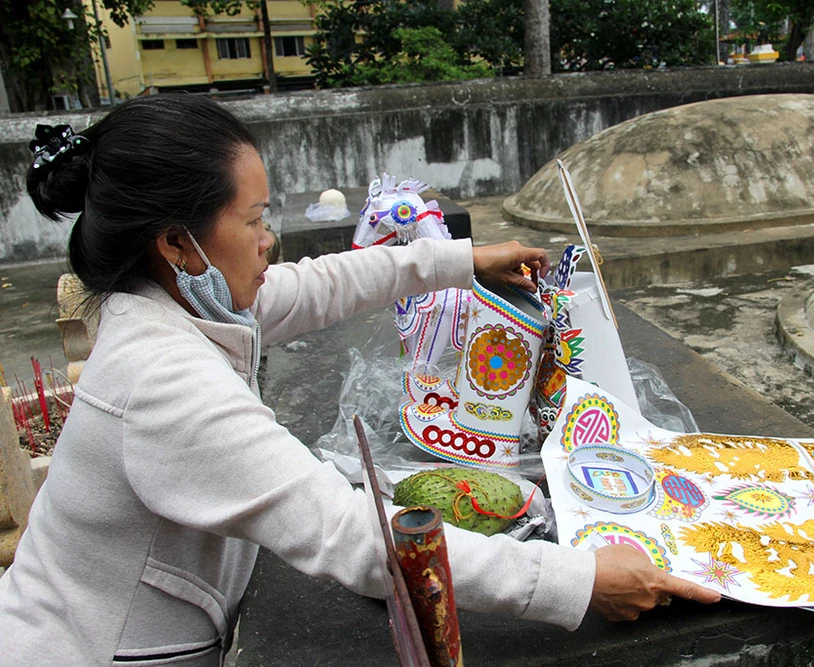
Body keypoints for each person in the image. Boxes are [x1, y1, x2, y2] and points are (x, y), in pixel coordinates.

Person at [0, 95, 719, 665]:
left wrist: (465, 260)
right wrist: (578, 581)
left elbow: (320, 284)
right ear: (176, 243)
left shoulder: (180, 300)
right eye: (252, 220)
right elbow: (353, 536)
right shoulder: (159, 377)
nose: (268, 238)